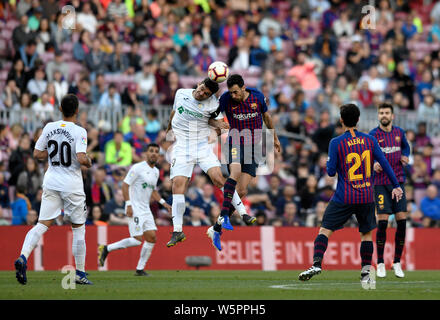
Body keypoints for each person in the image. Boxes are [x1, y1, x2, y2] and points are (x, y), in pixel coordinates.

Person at [298, 103, 403, 289]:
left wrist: (330, 163)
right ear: (358, 119)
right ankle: (365, 273)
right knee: (366, 235)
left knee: (324, 231)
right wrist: (396, 185)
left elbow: (330, 173)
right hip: (366, 195)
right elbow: (385, 163)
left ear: (341, 120)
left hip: (344, 196)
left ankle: (316, 264)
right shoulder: (370, 140)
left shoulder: (336, 142)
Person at [14, 94, 93, 285]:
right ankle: (80, 273)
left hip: (51, 182)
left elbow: (37, 153)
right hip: (71, 185)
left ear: (60, 109)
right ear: (77, 110)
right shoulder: (79, 131)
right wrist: (89, 161)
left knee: (41, 224)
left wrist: (53, 151)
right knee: (78, 228)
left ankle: (23, 257)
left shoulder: (49, 127)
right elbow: (82, 159)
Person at [164, 78, 248, 247]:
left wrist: (215, 131)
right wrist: (168, 132)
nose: (202, 93)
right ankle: (177, 230)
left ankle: (243, 212)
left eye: (206, 93)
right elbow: (175, 113)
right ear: (199, 84)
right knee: (178, 184)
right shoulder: (181, 93)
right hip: (182, 146)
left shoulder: (213, 104)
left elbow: (223, 124)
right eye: (202, 89)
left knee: (218, 178)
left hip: (202, 145)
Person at [206, 74, 281, 251]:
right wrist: (217, 126)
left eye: (236, 92)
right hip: (235, 140)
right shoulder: (225, 99)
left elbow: (267, 118)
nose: (233, 96)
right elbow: (210, 117)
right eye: (231, 93)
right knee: (235, 173)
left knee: (242, 190)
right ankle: (225, 216)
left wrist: (274, 138)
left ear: (244, 88)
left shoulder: (257, 97)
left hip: (253, 146)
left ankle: (216, 227)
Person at [98, 144, 171, 276]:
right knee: (137, 240)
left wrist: (163, 203)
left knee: (152, 238)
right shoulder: (137, 168)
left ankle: (140, 269)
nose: (154, 153)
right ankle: (106, 248)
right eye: (151, 151)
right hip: (135, 207)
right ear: (146, 154)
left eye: (156, 152)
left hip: (146, 209)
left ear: (159, 156)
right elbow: (125, 186)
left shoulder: (155, 172)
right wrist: (128, 204)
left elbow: (153, 190)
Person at [369, 103, 411, 278]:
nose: (384, 115)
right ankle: (380, 262)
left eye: (387, 112)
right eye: (381, 113)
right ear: (378, 116)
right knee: (383, 222)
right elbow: (367, 155)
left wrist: (406, 155)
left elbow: (407, 147)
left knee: (402, 221)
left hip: (398, 182)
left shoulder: (399, 133)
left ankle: (397, 262)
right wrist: (373, 163)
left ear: (392, 116)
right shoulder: (372, 135)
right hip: (380, 183)